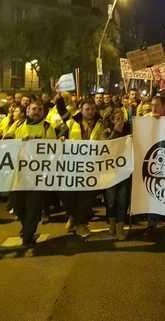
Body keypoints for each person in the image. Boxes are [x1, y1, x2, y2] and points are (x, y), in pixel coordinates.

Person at [13, 102, 57, 248]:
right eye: (34, 109)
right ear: (27, 110)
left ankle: (27, 235)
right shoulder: (18, 126)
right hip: (19, 175)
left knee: (33, 207)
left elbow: (53, 148)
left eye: (40, 109)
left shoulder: (47, 127)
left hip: (38, 176)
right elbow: (6, 142)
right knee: (18, 207)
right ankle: (26, 228)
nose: (37, 111)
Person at [63, 101, 105, 237]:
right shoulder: (70, 123)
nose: (90, 111)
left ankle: (81, 224)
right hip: (72, 167)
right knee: (69, 196)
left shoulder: (102, 124)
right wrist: (61, 138)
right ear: (81, 110)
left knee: (86, 198)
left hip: (92, 167)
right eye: (87, 109)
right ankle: (73, 217)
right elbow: (60, 137)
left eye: (93, 109)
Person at [104, 109, 131, 241]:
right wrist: (115, 132)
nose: (121, 122)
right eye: (118, 119)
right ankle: (112, 225)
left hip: (124, 174)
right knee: (110, 202)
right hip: (110, 174)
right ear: (113, 121)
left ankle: (120, 228)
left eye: (122, 118)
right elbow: (106, 148)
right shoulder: (108, 133)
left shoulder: (129, 133)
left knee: (122, 201)